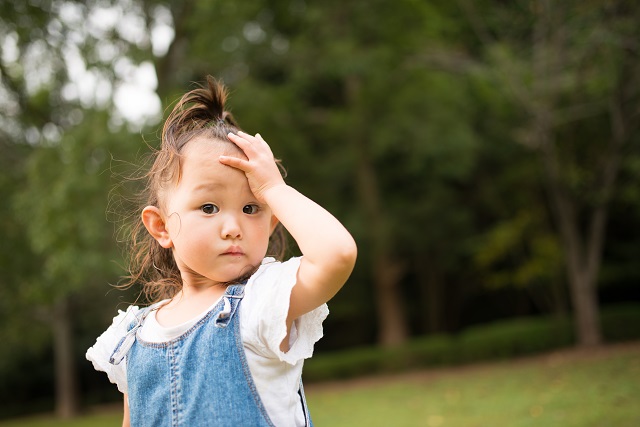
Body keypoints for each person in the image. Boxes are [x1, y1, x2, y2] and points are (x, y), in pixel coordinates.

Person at [86, 76, 357, 427]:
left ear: (273, 221)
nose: (233, 227)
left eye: (250, 208)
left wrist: (274, 188)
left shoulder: (262, 302)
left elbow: (337, 254)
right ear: (161, 226)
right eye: (209, 207)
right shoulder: (130, 336)